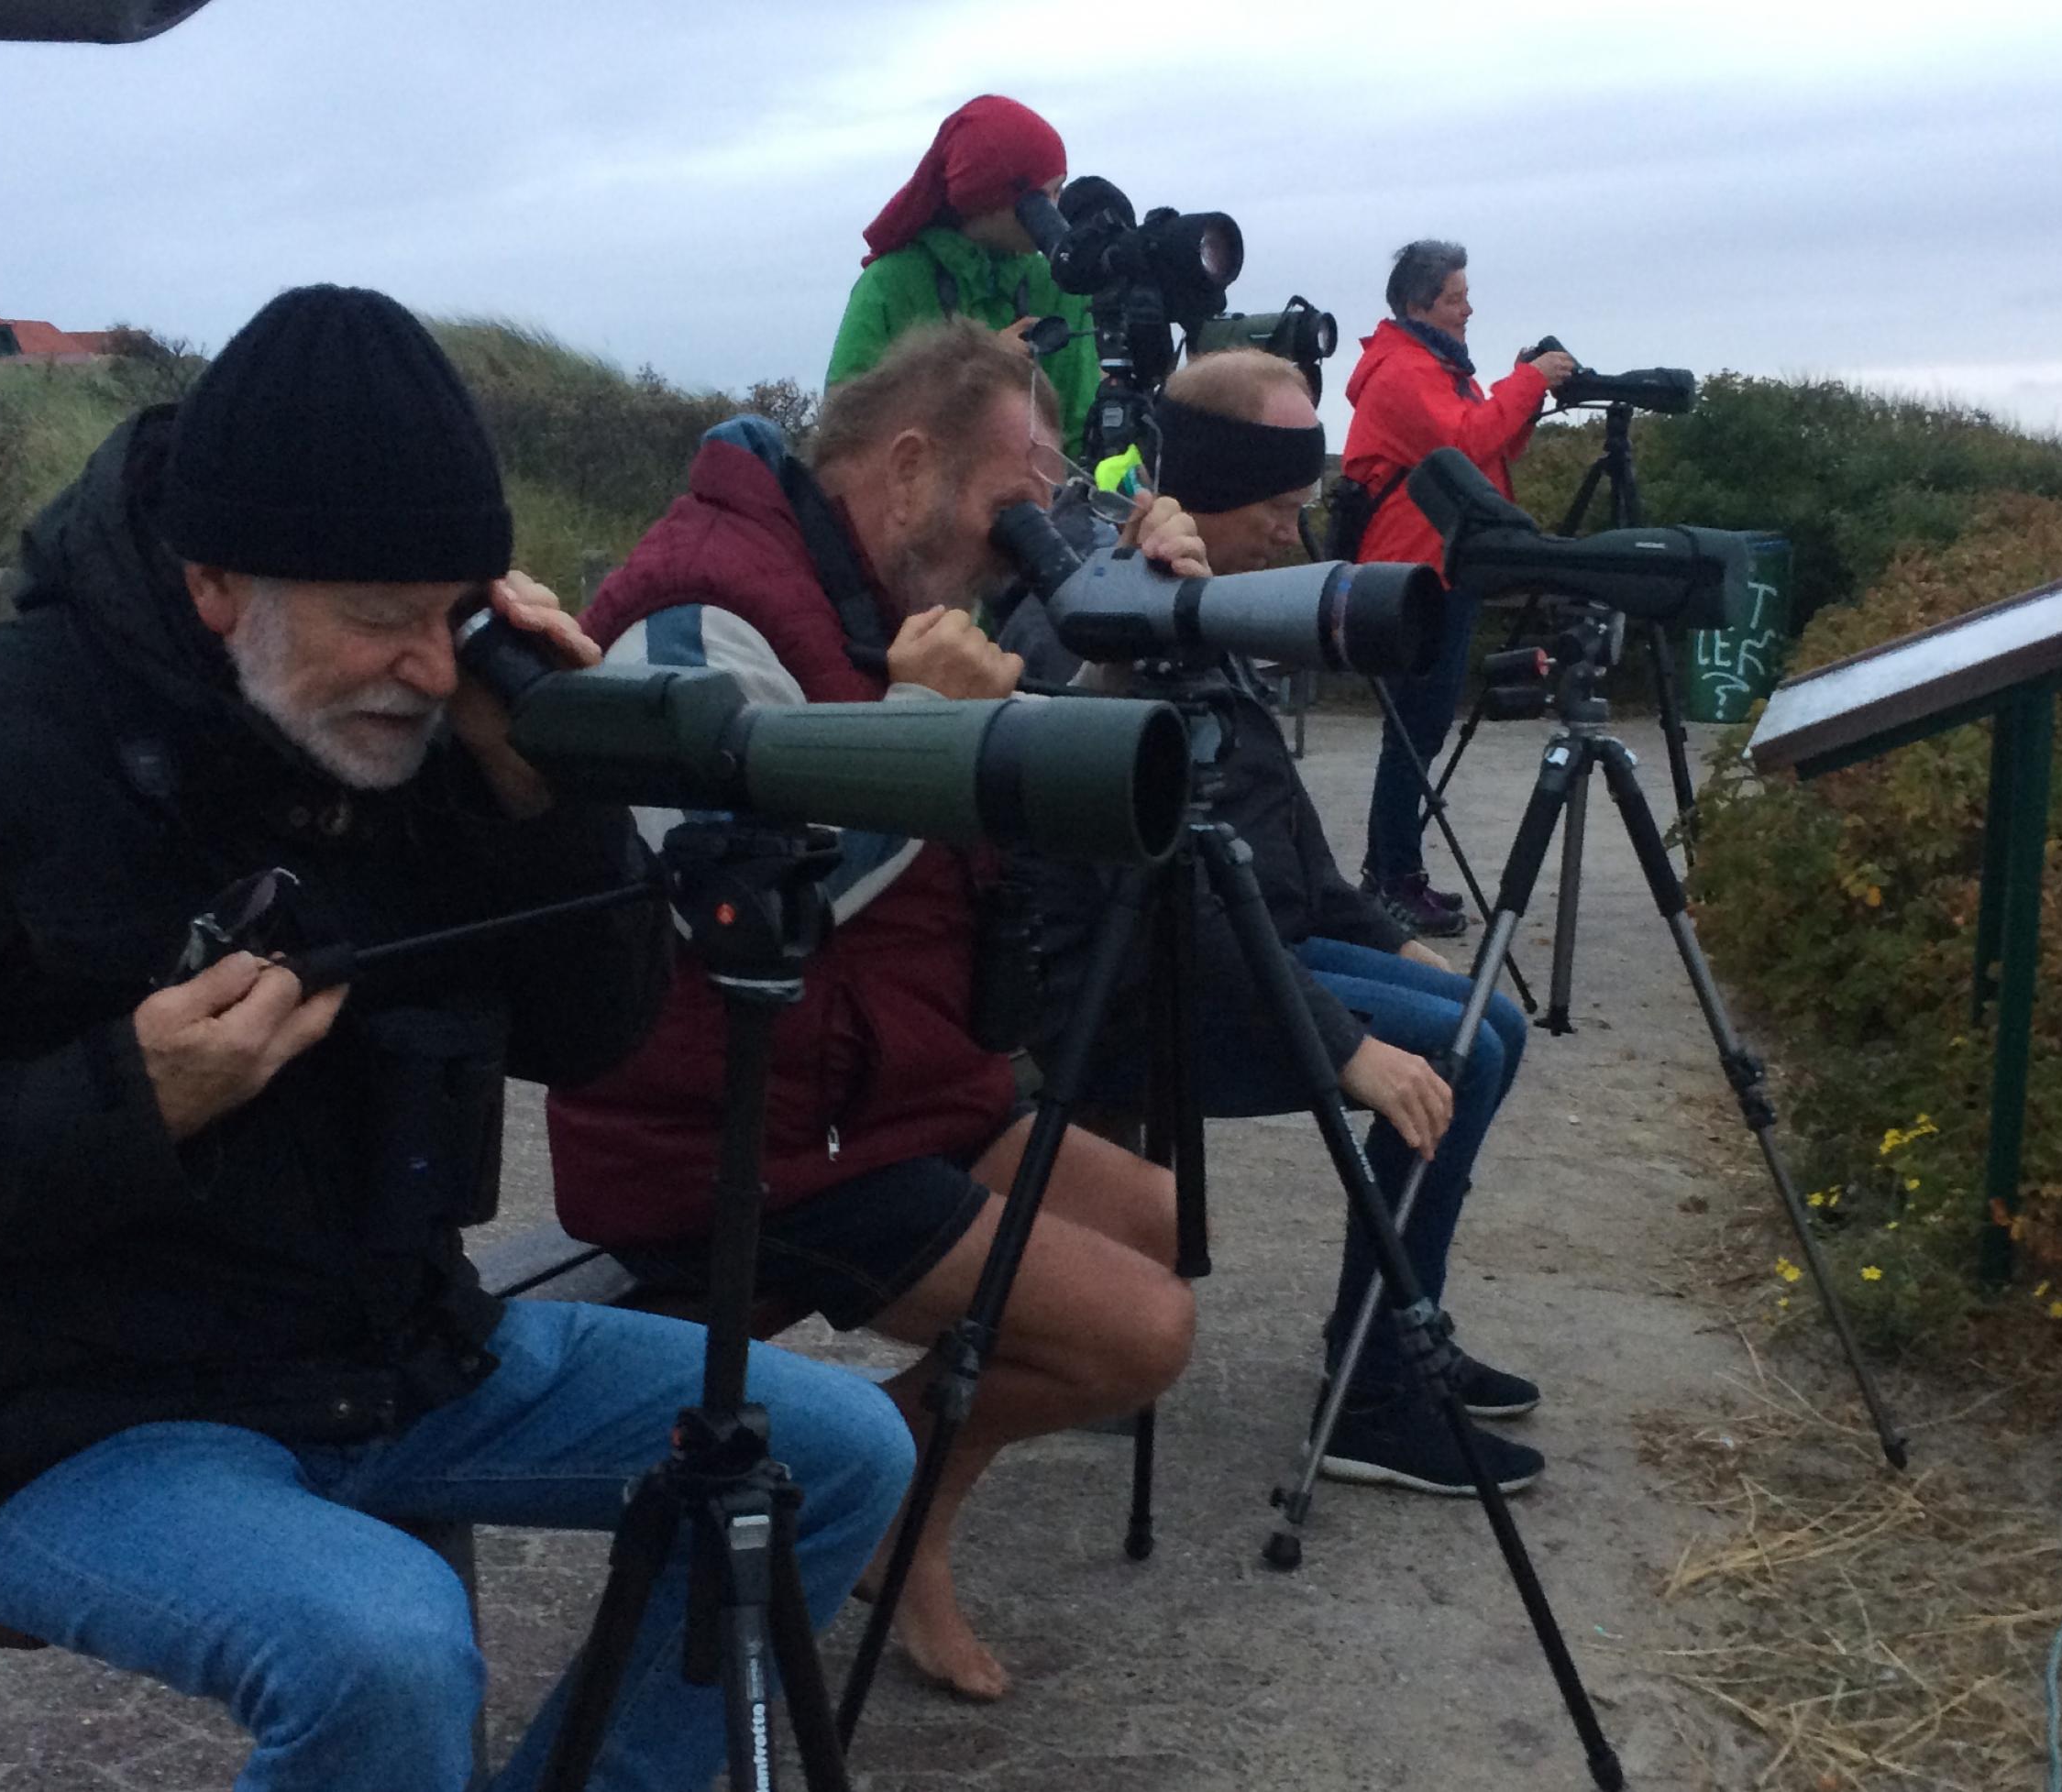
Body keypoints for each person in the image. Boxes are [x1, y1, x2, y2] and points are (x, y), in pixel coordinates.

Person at [0, 284, 914, 1792]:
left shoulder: (431, 728)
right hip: (85, 1416)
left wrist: (549, 793)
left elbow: (598, 1038)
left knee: (839, 1449)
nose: (430, 664)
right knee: (388, 1647)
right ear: (216, 582)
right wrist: (126, 1100)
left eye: (454, 611)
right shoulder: (18, 740)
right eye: (381, 620)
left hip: (399, 1359)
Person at [547, 319, 1207, 1704]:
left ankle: (896, 1498)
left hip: (881, 1098)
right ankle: (886, 1491)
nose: (1016, 535)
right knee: (1138, 1331)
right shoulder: (698, 608)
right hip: (736, 1140)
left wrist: (1135, 640)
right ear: (907, 467)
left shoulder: (858, 587)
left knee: (1157, 1216)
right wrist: (922, 727)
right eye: (1009, 498)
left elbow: (1018, 806)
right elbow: (726, 907)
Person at [1000, 347, 1545, 1496]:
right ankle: (1378, 1391)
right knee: (1454, 1053)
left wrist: (1385, 931)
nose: (1298, 540)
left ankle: (1396, 1335)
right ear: (1214, 489)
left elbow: (1277, 831)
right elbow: (1160, 906)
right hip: (1145, 989)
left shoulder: (1199, 593)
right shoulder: (1109, 617)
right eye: (1282, 510)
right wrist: (1349, 1049)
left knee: (1485, 1026)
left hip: (1251, 943)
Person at [1342, 238, 1576, 938]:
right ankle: (1389, 879)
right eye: (1454, 296)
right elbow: (1467, 441)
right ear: (1419, 304)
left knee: (1421, 728)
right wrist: (1527, 380)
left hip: (1441, 564)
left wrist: (1520, 386)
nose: (1467, 307)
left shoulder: (1434, 365)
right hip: (1418, 571)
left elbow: (1494, 443)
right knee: (1413, 732)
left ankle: (1394, 873)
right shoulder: (1405, 371)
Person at [825, 93, 1100, 460]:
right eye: (1042, 198)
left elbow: (1082, 428)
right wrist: (974, 368)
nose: (1055, 213)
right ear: (988, 196)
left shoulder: (1058, 285)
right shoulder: (890, 283)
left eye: (1060, 191)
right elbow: (841, 425)